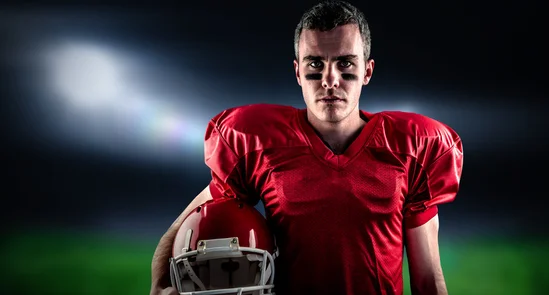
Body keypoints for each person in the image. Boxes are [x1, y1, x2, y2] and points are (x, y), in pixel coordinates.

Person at [150, 1, 463, 294]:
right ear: (298, 72)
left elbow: (427, 278)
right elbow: (193, 220)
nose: (330, 80)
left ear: (367, 71)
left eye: (345, 63)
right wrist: (159, 284)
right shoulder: (259, 143)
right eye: (316, 63)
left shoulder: (411, 148)